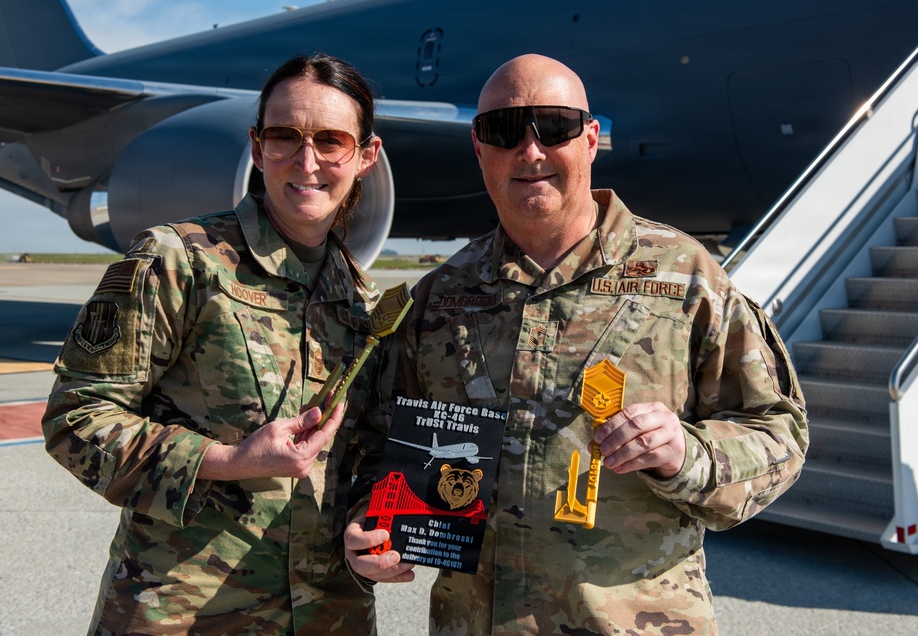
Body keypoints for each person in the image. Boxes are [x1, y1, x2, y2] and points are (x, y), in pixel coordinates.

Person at [345, 54, 809, 635]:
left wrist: (687, 453)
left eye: (555, 127)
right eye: (504, 131)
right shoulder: (442, 297)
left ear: (590, 139)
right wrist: (375, 521)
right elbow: (380, 441)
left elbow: (779, 433)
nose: (531, 151)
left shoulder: (684, 278)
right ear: (478, 147)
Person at [43, 52, 388, 635]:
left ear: (364, 156)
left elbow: (367, 456)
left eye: (331, 140)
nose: (307, 160)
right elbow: (75, 417)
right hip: (183, 612)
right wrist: (227, 461)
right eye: (285, 137)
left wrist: (373, 525)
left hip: (329, 614)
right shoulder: (180, 261)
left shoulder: (364, 302)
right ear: (257, 148)